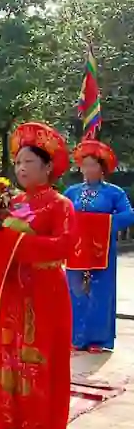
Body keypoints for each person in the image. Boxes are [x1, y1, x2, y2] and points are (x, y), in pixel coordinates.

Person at [0, 122, 75, 429]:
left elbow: (65, 245)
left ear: (47, 167)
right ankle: (1, 424)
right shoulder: (10, 204)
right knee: (5, 354)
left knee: (36, 355)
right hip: (9, 293)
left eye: (29, 162)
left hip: (43, 292)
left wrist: (18, 244)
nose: (22, 168)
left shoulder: (60, 205)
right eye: (18, 163)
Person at [64, 139, 134, 352]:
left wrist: (103, 224)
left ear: (102, 168)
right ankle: (77, 337)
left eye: (92, 165)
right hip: (75, 251)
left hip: (101, 250)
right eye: (84, 165)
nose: (87, 169)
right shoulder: (72, 191)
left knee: (99, 293)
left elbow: (129, 215)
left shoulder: (114, 192)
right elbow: (61, 213)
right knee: (75, 292)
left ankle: (97, 340)